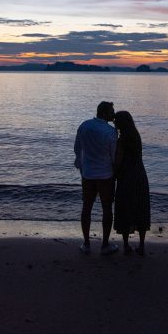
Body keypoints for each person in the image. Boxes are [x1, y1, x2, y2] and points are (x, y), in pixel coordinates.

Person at [74, 101, 119, 254]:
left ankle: (86, 244)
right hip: (105, 175)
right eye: (112, 111)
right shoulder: (111, 131)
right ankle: (105, 245)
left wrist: (81, 166)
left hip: (88, 174)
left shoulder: (84, 125)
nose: (114, 114)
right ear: (105, 113)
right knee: (107, 208)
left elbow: (77, 148)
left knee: (87, 207)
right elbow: (113, 156)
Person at [113, 110, 151, 255]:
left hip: (126, 177)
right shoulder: (136, 136)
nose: (114, 123)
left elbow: (118, 162)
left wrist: (113, 173)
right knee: (140, 208)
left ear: (121, 123)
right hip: (140, 175)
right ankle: (141, 245)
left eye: (116, 121)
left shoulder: (121, 140)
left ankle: (126, 245)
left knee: (125, 209)